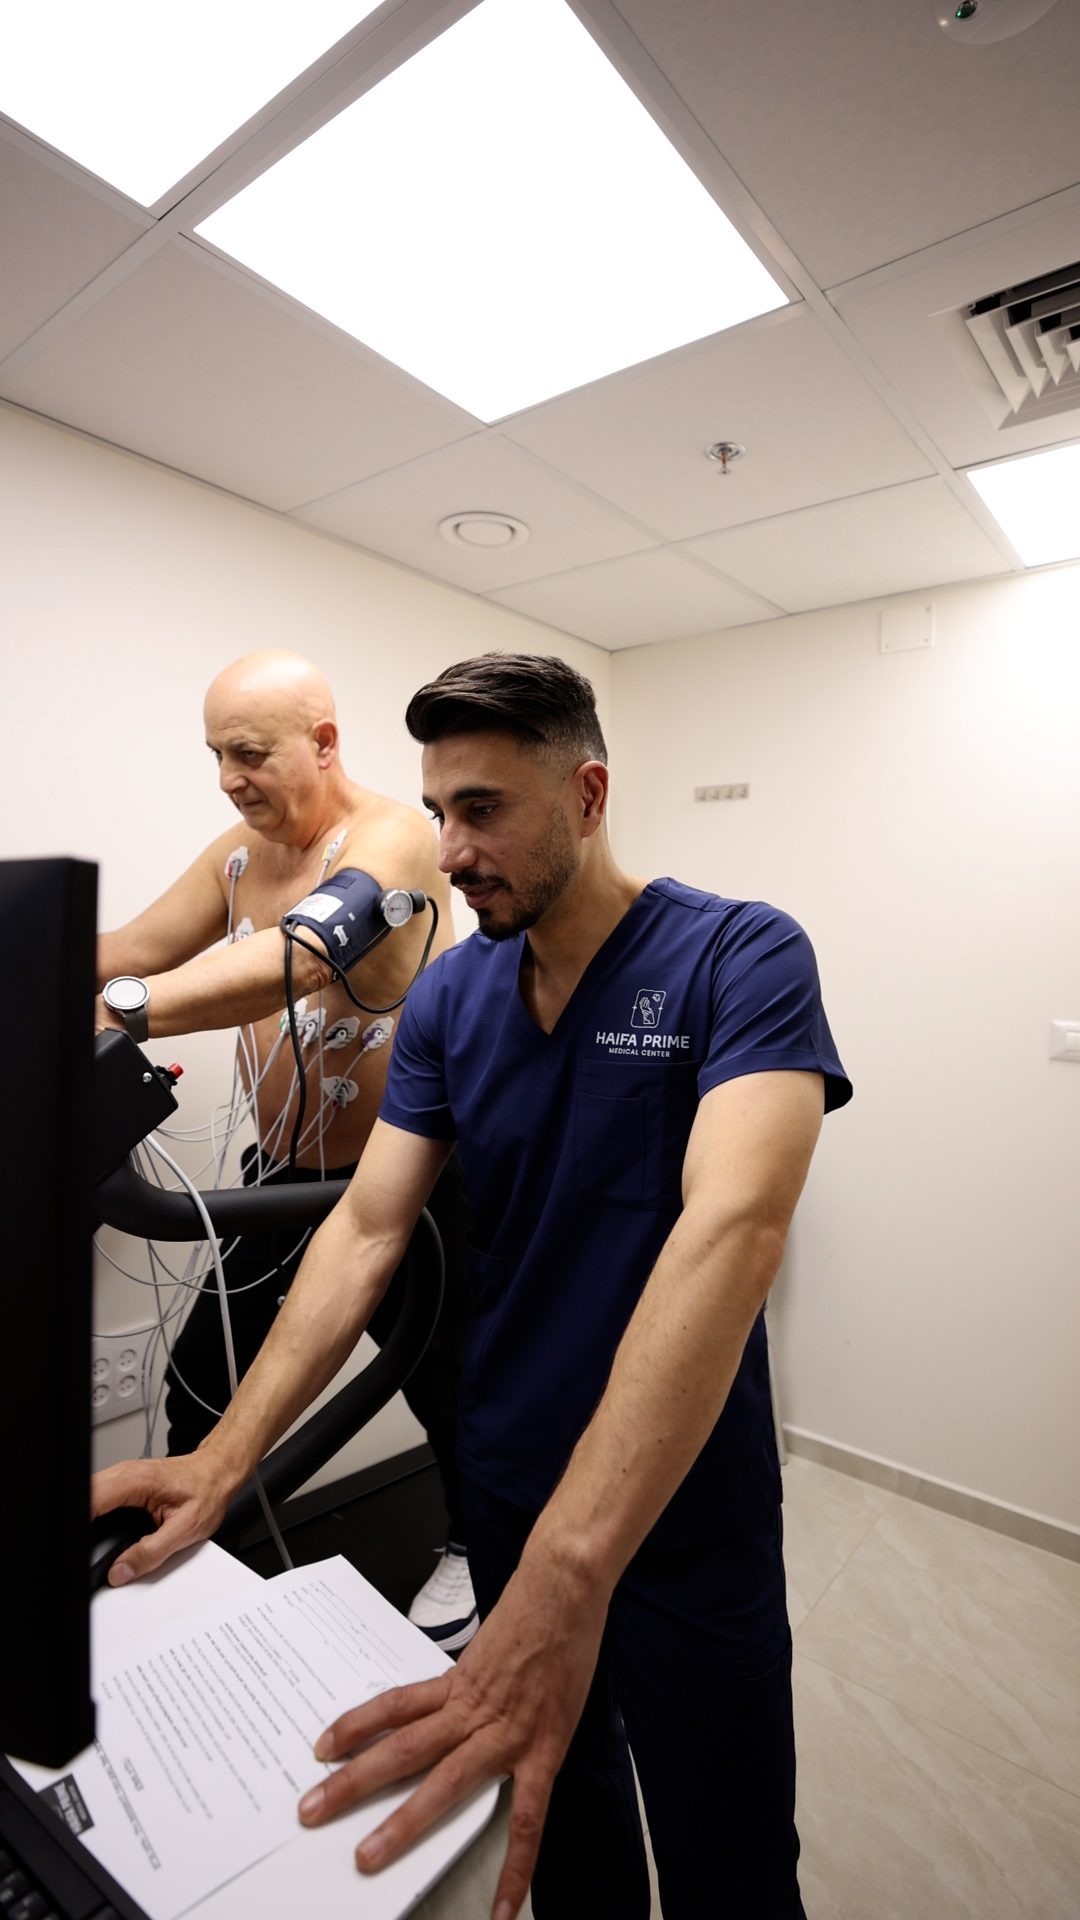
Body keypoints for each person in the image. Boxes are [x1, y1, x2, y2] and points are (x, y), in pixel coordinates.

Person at [94, 652, 852, 1920]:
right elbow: (366, 1229)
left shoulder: (741, 955)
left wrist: (569, 1572)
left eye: (483, 811)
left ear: (587, 796)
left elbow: (734, 1231)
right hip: (511, 1474)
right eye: (441, 810)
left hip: (683, 1500)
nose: (448, 850)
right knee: (567, 1830)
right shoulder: (452, 992)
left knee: (726, 1853)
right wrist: (223, 1459)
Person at [96, 648, 479, 1651]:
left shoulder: (396, 838)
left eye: (250, 753)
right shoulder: (238, 856)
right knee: (199, 1378)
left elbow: (306, 958)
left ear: (324, 742)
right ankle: (195, 1565)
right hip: (278, 1181)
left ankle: (474, 1544)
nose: (229, 777)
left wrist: (119, 1012)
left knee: (449, 1383)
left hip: (415, 1178)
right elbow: (130, 951)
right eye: (216, 755)